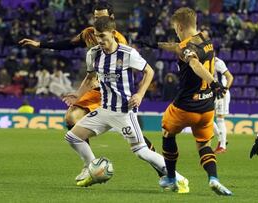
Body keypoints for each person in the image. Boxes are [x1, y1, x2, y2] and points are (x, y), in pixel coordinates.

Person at [19, 2, 163, 181]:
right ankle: (90, 165)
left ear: (111, 19)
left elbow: (128, 71)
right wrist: (39, 44)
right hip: (95, 87)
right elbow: (69, 44)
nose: (97, 20)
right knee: (72, 117)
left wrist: (138, 93)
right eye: (95, 17)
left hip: (113, 93)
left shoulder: (118, 41)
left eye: (101, 17)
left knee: (134, 139)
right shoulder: (89, 32)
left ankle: (160, 167)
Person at [62, 16, 188, 188]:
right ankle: (93, 167)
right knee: (73, 137)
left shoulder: (127, 53)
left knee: (142, 151)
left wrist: (140, 94)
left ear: (113, 34)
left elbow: (149, 72)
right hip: (104, 110)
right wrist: (78, 95)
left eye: (103, 36)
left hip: (124, 112)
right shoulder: (93, 54)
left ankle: (179, 178)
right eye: (97, 36)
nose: (100, 40)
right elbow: (90, 78)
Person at [155, 7, 232, 195]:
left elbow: (195, 63)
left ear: (180, 27)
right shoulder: (206, 41)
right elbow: (179, 47)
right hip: (206, 108)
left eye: (175, 29)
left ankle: (171, 179)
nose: (175, 32)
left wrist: (214, 83)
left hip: (185, 106)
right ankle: (213, 179)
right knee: (204, 145)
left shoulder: (188, 48)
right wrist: (159, 44)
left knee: (167, 133)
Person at [213, 57, 233, 154]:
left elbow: (230, 77)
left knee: (220, 118)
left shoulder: (218, 62)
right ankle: (221, 139)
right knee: (205, 117)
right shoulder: (202, 61)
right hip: (210, 93)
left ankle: (222, 145)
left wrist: (225, 90)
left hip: (221, 94)